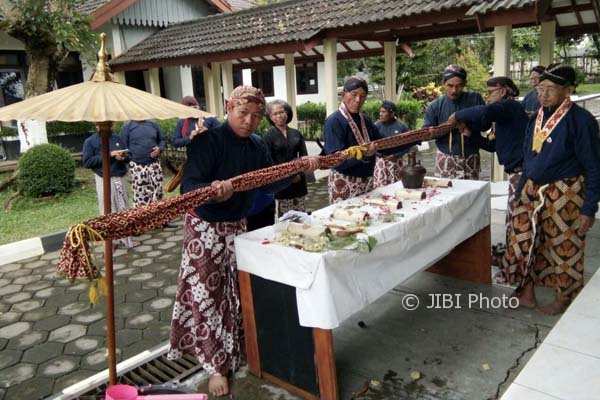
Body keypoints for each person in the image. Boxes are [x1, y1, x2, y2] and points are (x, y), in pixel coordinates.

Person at [167, 85, 319, 397]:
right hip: (204, 228)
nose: (249, 121)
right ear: (228, 106)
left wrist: (299, 168)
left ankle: (236, 349)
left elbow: (267, 180)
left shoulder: (257, 145)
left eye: (256, 116)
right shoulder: (207, 141)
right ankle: (214, 366)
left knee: (237, 291)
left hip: (239, 224)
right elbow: (189, 188)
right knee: (207, 294)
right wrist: (212, 189)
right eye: (243, 113)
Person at [501, 65, 600, 315]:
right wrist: (521, 191)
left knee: (564, 246)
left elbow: (594, 165)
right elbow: (528, 155)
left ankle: (564, 296)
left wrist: (589, 208)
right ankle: (526, 291)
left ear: (568, 91)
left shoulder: (581, 120)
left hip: (565, 192)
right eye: (540, 88)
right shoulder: (536, 117)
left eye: (551, 89)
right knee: (523, 239)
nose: (543, 95)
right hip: (532, 188)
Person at [451, 77, 529, 278]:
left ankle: (517, 271)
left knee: (518, 222)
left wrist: (457, 114)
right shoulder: (505, 114)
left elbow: (485, 112)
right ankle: (511, 260)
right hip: (516, 172)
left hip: (522, 173)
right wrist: (470, 134)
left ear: (503, 92)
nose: (488, 97)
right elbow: (493, 146)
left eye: (491, 92)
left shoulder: (510, 106)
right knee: (512, 219)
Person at [324, 76, 412, 203]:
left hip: (367, 182)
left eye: (363, 96)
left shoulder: (365, 120)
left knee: (367, 220)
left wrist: (411, 139)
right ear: (343, 94)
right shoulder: (334, 121)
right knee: (347, 220)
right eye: (354, 94)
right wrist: (365, 154)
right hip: (344, 183)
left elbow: (382, 145)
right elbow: (336, 160)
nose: (358, 100)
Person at [423, 65, 485, 180]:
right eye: (450, 86)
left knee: (470, 196)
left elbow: (485, 125)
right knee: (446, 196)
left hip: (471, 157)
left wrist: (467, 125)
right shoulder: (435, 106)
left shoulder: (475, 99)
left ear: (465, 83)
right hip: (445, 157)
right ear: (443, 83)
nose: (454, 90)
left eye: (459, 86)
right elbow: (426, 134)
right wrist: (447, 126)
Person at [82, 127, 137, 249]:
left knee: (123, 208)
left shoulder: (117, 138)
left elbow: (129, 155)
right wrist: (109, 155)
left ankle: (126, 239)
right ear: (96, 125)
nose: (107, 127)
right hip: (103, 179)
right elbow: (87, 162)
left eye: (110, 124)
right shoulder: (90, 141)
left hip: (120, 177)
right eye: (101, 124)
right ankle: (110, 242)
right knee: (107, 209)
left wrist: (123, 157)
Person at [264, 99, 309, 217]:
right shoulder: (268, 136)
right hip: (281, 183)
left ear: (287, 113)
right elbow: (269, 162)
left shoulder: (296, 133)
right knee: (286, 218)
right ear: (270, 117)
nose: (280, 115)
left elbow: (304, 157)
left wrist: (299, 173)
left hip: (299, 180)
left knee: (301, 215)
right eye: (275, 113)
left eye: (282, 112)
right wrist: (287, 177)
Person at [121, 119, 166, 207]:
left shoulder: (153, 124)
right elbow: (124, 146)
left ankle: (157, 216)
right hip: (137, 164)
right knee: (141, 194)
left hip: (154, 164)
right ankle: (141, 217)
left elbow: (162, 141)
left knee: (158, 191)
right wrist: (130, 158)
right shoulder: (127, 127)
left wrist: (159, 149)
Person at [373, 100, 410, 188]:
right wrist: (380, 155)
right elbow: (371, 144)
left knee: (397, 187)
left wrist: (396, 155)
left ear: (392, 113)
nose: (380, 114)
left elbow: (409, 144)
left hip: (397, 162)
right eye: (380, 112)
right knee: (381, 188)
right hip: (380, 163)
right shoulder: (376, 126)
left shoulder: (402, 127)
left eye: (383, 112)